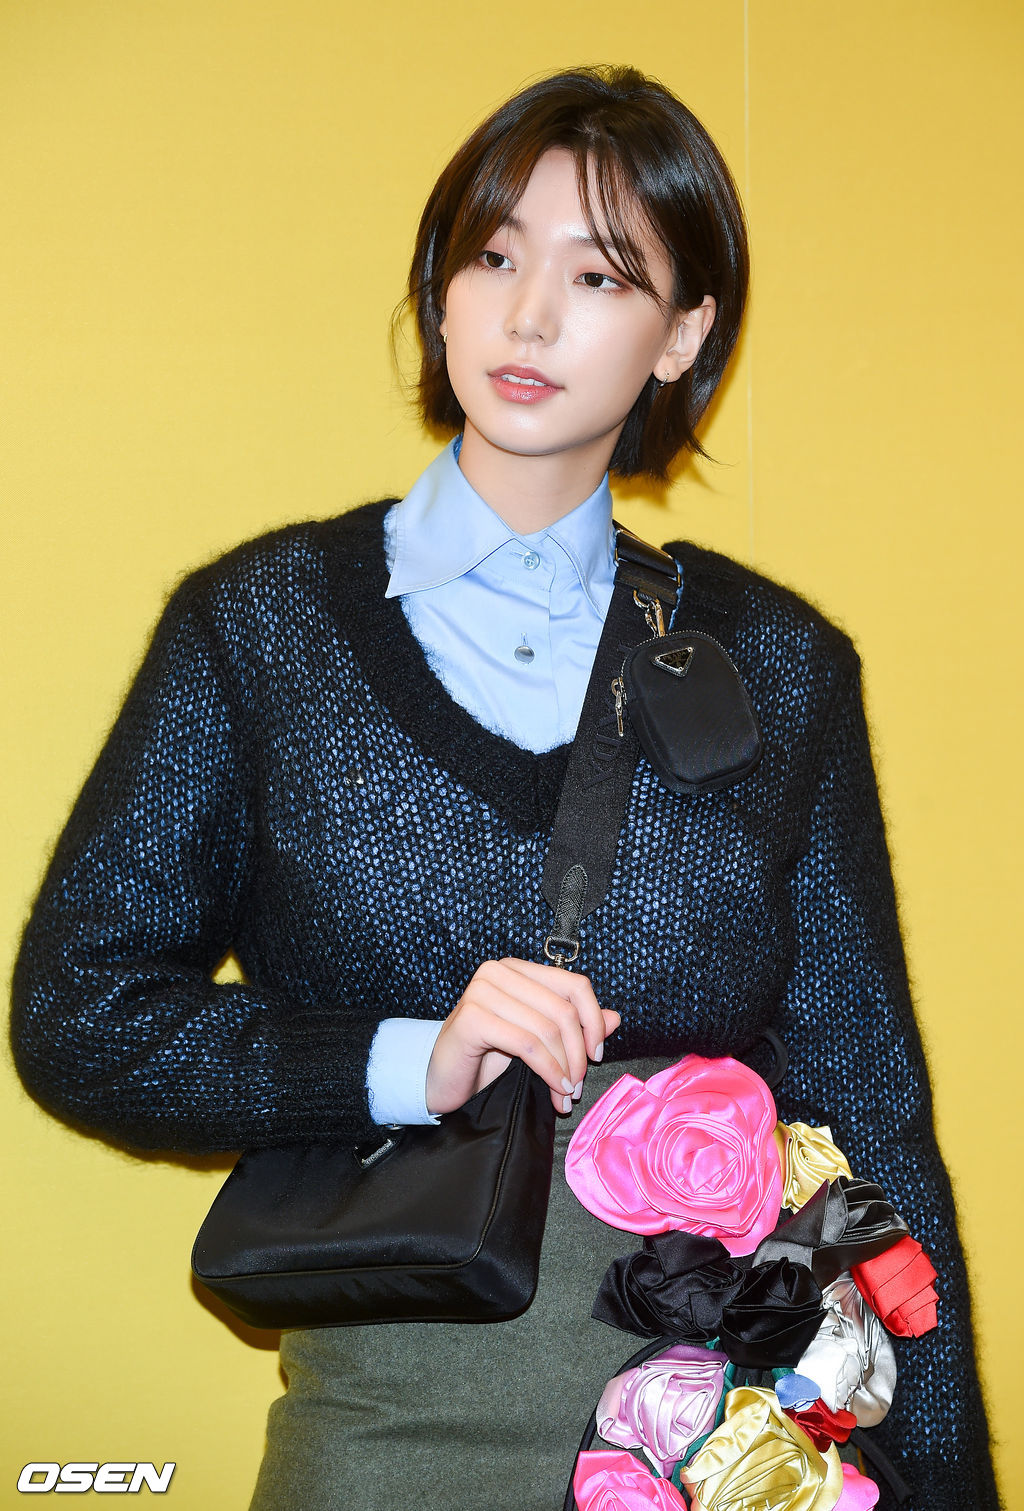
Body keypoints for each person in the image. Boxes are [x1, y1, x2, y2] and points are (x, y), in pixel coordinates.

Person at [10, 65, 998, 1511]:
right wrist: (406, 1061)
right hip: (393, 1435)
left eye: (599, 276)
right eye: (492, 257)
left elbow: (873, 1114)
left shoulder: (782, 665)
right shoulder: (263, 628)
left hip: (738, 1449)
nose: (530, 316)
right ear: (441, 290)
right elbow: (81, 1017)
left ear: (684, 332)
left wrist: (947, 1483)